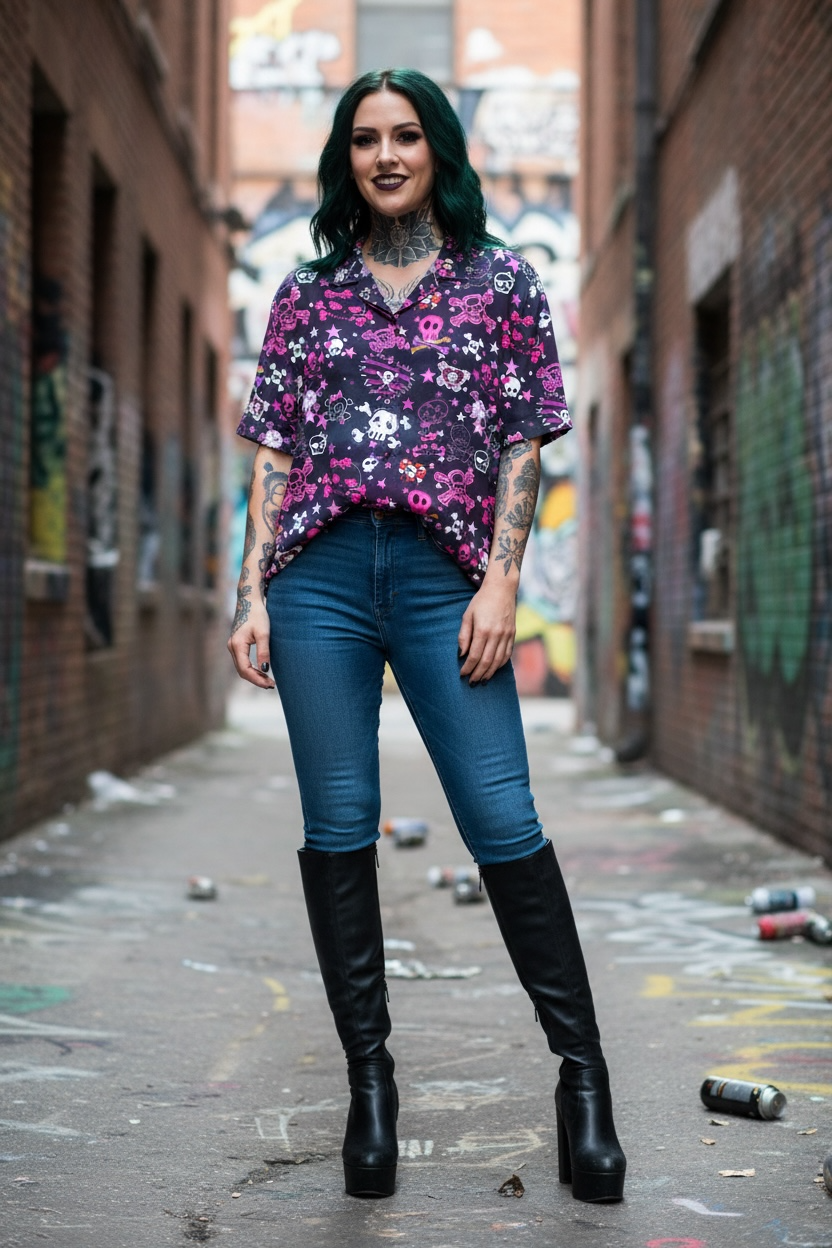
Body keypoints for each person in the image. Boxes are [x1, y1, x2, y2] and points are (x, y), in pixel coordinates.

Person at [228, 67, 625, 1205]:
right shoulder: (306, 294)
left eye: (406, 136)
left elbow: (520, 444)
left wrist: (502, 580)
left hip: (448, 581)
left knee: (502, 816)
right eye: (366, 140)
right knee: (337, 825)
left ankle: (583, 1081)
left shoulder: (502, 281)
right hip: (321, 581)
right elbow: (276, 453)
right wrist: (252, 592)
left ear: (438, 149)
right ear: (345, 159)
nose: (387, 156)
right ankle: (370, 1086)